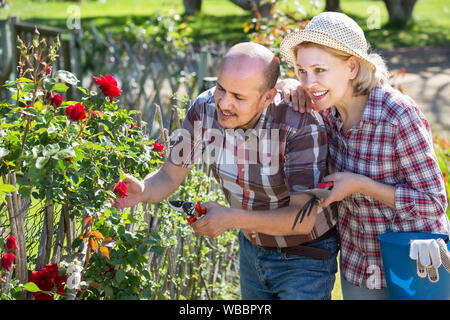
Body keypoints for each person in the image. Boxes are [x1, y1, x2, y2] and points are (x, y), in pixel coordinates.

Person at [113, 42, 338, 300]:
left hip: (304, 257)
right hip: (252, 248)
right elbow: (169, 175)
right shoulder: (204, 108)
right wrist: (143, 190)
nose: (224, 103)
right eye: (221, 88)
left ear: (267, 97)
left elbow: (303, 218)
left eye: (239, 97)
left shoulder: (299, 124)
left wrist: (232, 218)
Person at [278, 11, 449, 299]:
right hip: (360, 266)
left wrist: (360, 185)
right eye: (301, 71)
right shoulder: (325, 113)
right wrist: (287, 84)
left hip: (415, 263)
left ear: (352, 67)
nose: (309, 82)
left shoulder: (397, 114)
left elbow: (433, 203)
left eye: (320, 70)